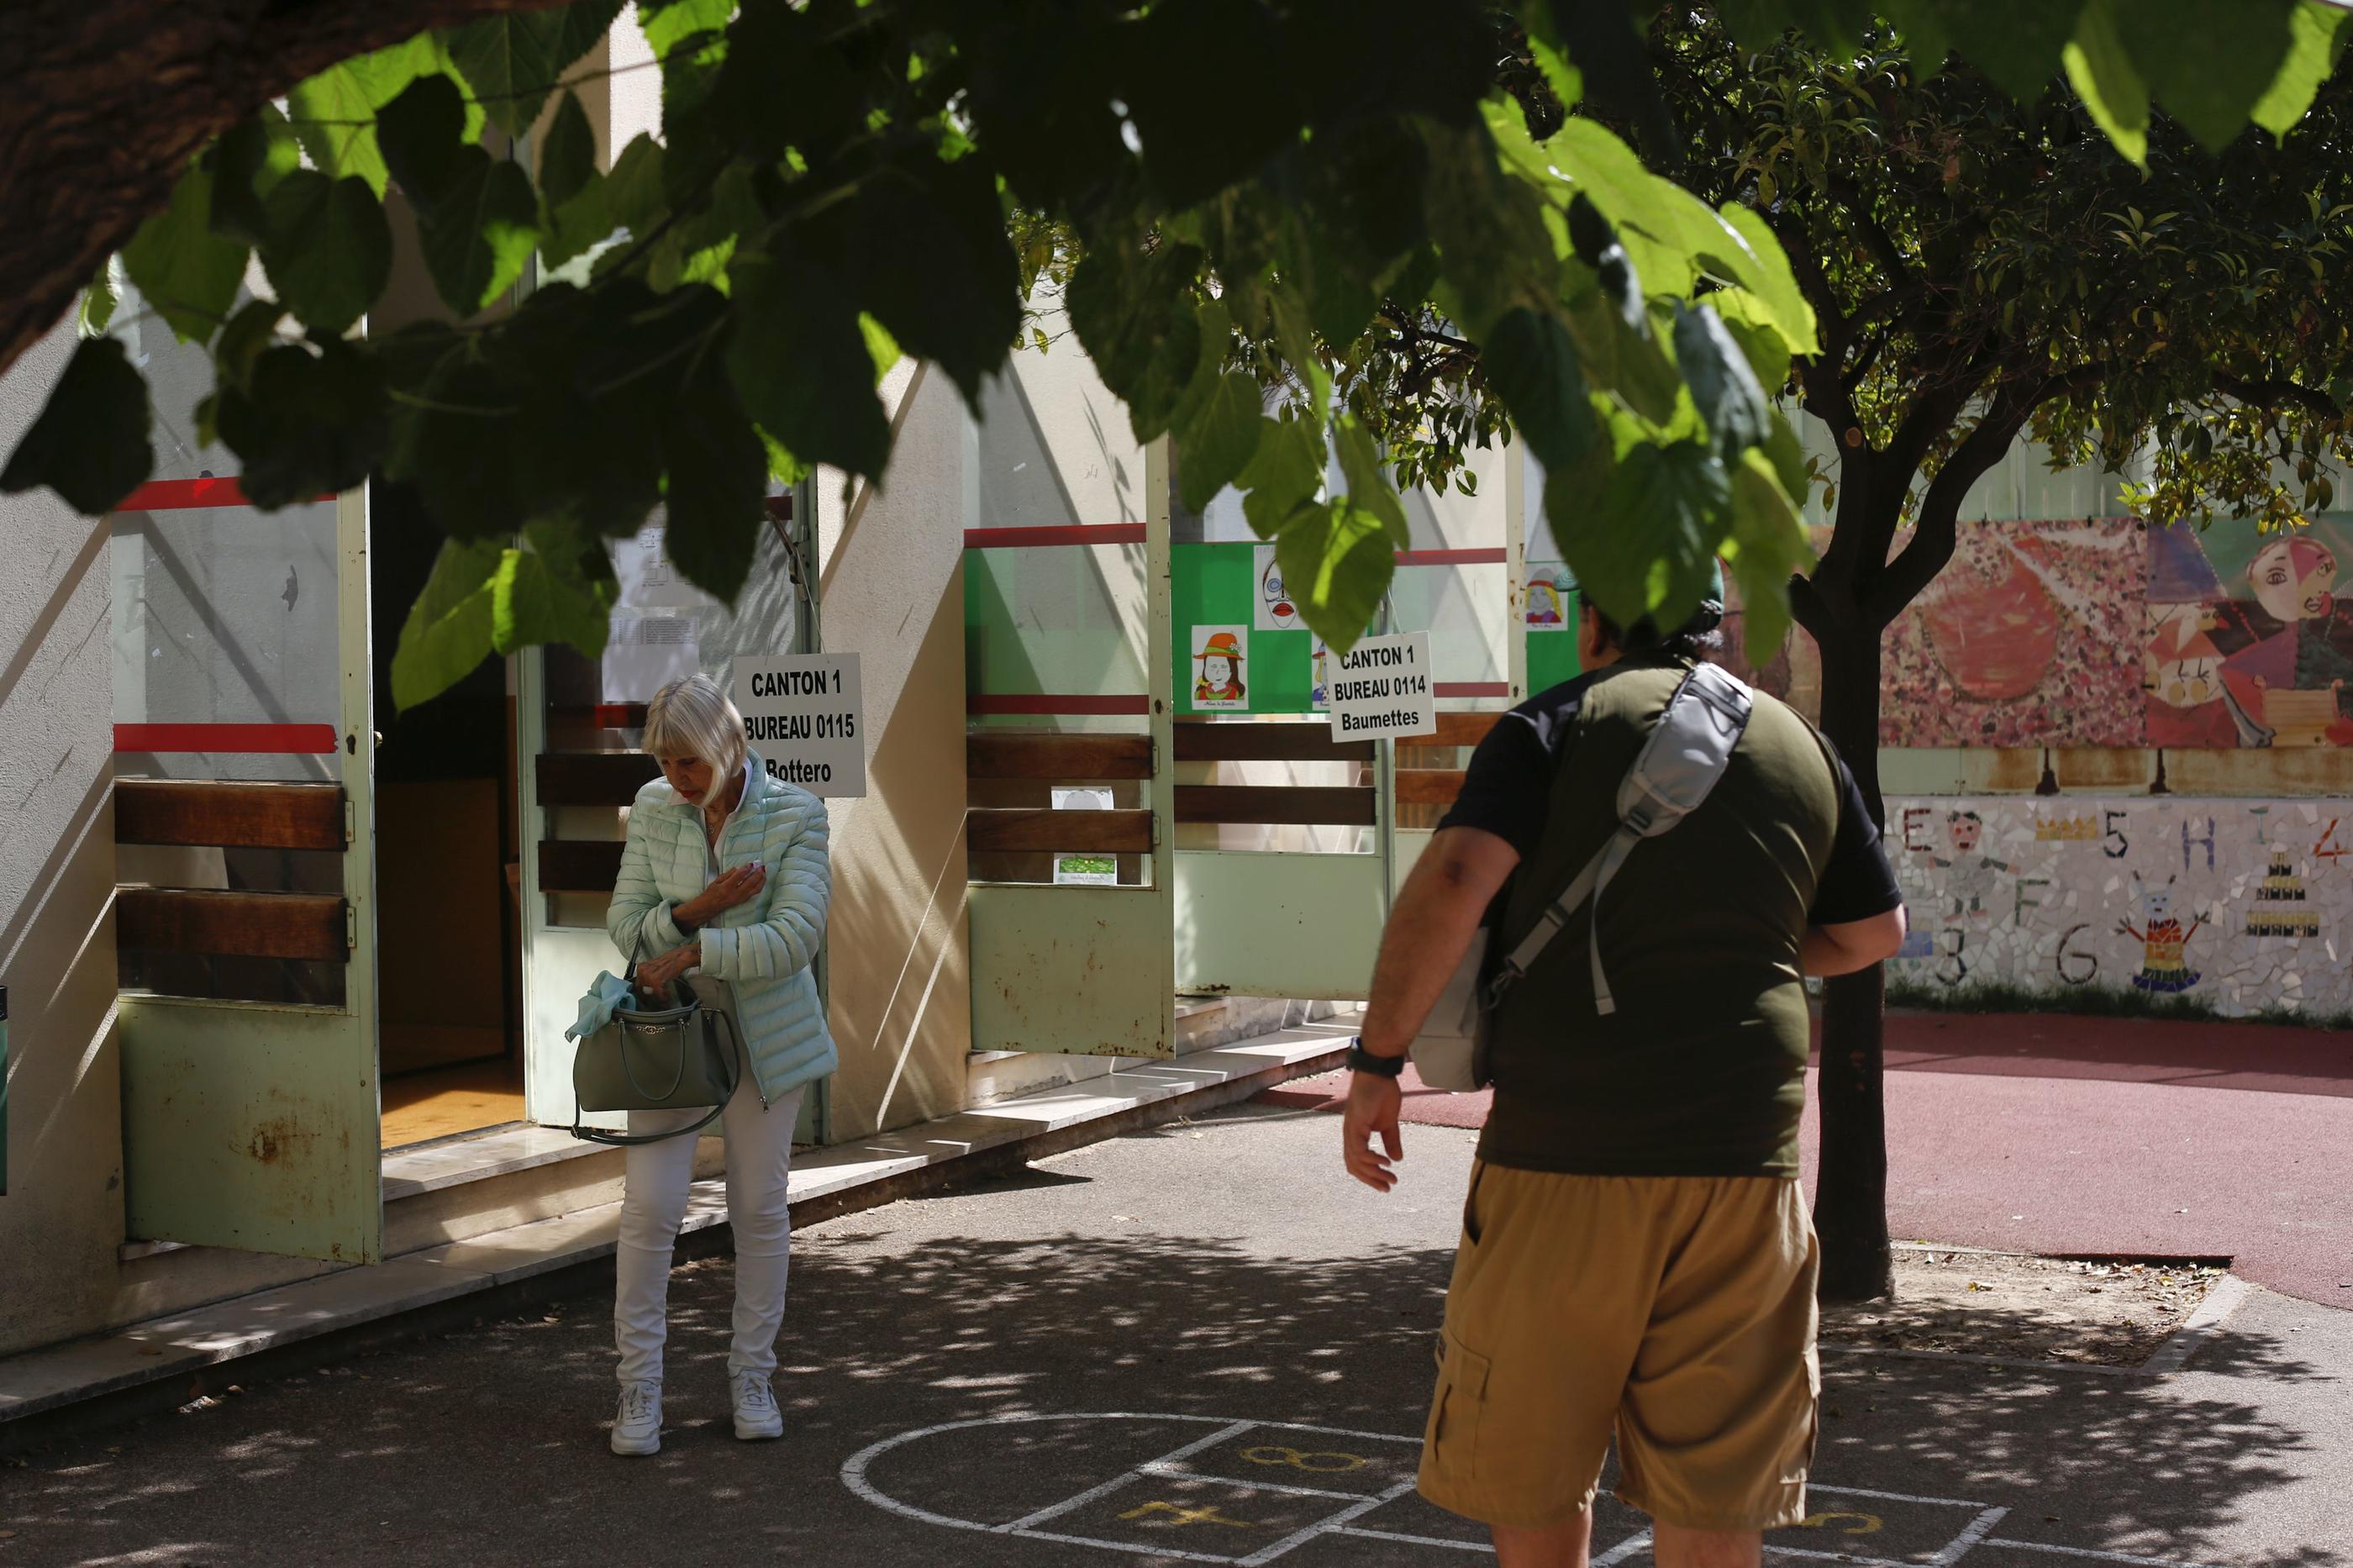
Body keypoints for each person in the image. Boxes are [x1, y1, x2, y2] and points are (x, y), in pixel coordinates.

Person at [1339, 578, 1907, 1568]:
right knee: (1718, 1493)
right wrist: (1754, 952)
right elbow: (1871, 934)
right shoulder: (1800, 745)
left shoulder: (1552, 727)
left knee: (1534, 1466)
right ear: (1715, 626)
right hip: (1744, 1163)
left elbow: (1457, 878)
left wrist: (1377, 1063)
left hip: (1564, 1154)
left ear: (1594, 621)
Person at [604, 673, 839, 1457]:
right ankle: (638, 1389)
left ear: (728, 744)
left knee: (760, 1211)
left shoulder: (798, 814)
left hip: (768, 1043)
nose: (678, 778)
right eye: (666, 762)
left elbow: (798, 937)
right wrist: (698, 912)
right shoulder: (652, 808)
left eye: (690, 762)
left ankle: (753, 1377)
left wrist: (696, 950)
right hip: (669, 1037)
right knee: (649, 1209)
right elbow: (624, 923)